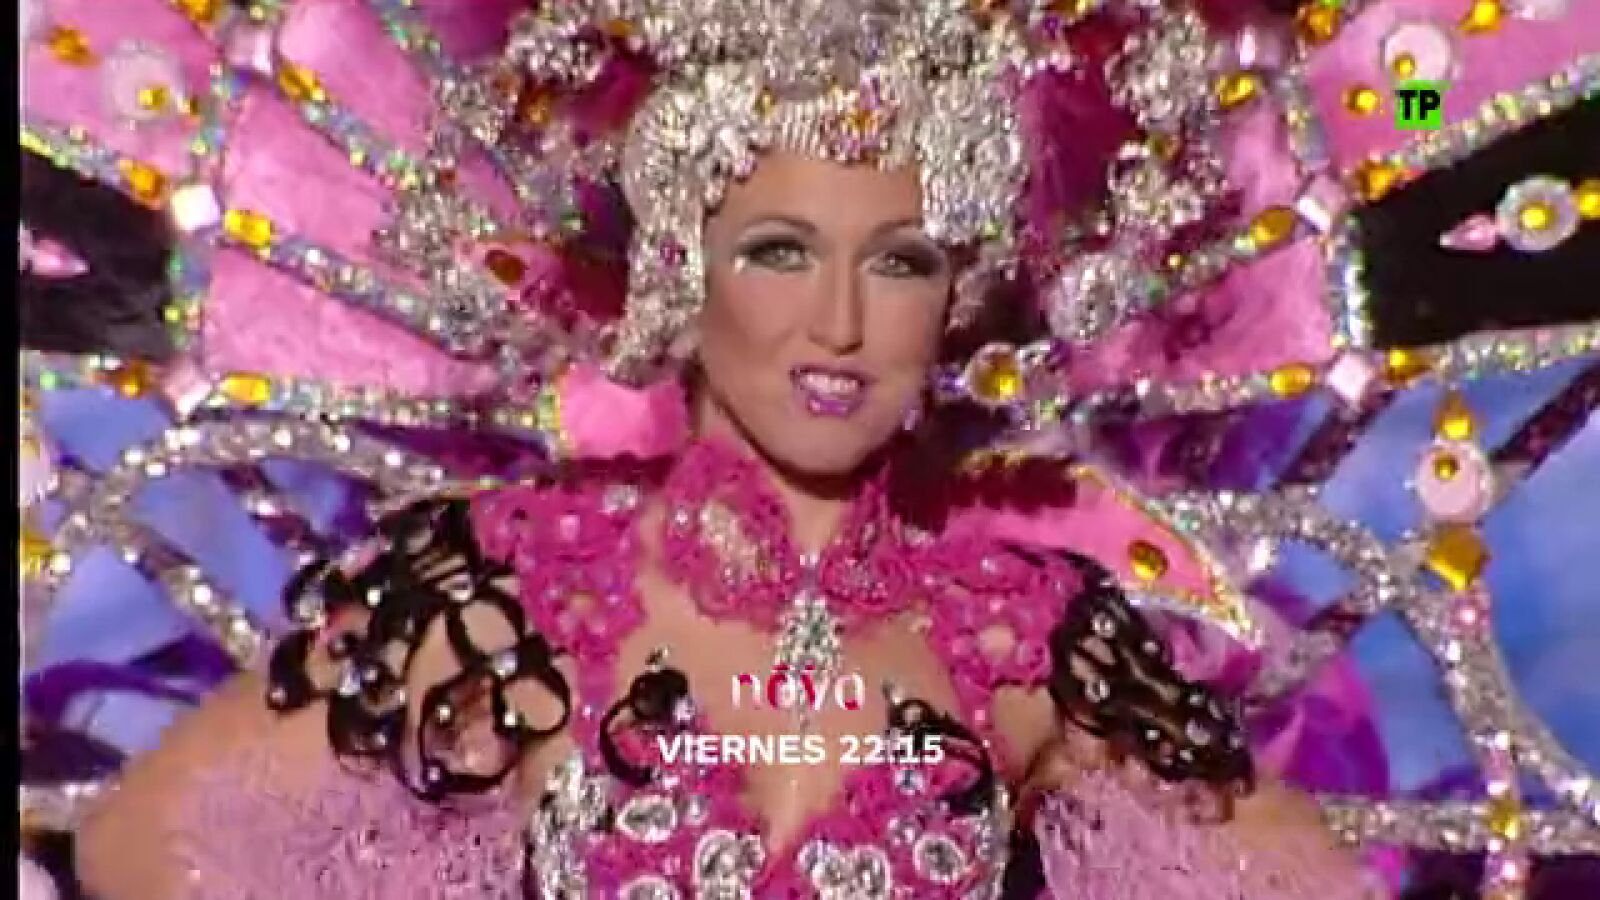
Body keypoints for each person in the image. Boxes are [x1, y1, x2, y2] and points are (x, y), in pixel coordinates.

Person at [20, 0, 1597, 897]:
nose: (838, 323)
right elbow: (153, 859)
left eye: (898, 263)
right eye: (779, 251)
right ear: (677, 272)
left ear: (953, 299)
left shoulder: (1023, 632)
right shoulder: (511, 598)